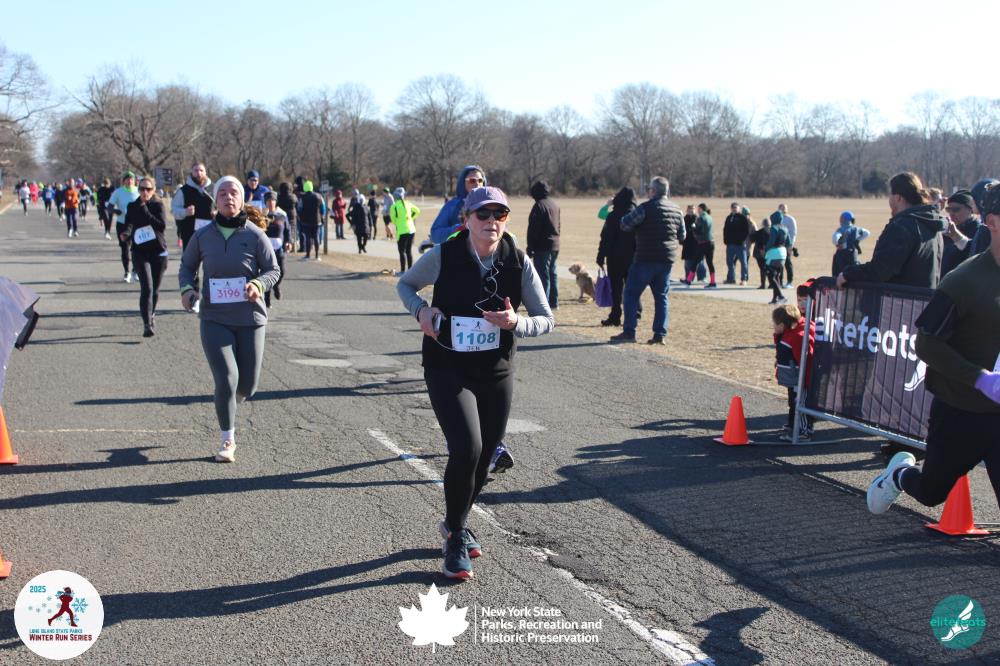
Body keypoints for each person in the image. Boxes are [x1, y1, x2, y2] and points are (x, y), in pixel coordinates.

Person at [396, 185, 554, 579]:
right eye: (483, 214)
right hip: (446, 365)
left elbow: (546, 318)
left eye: (499, 214)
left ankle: (455, 524)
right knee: (468, 447)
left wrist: (517, 322)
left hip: (495, 370)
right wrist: (421, 311)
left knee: (486, 459)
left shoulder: (518, 260)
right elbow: (405, 284)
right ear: (466, 219)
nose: (491, 221)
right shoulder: (445, 254)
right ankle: (455, 539)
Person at [866, 182, 1000, 516]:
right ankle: (899, 475)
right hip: (961, 411)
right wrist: (980, 378)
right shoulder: (964, 280)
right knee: (931, 491)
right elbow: (926, 343)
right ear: (992, 223)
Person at [179, 176, 280, 463]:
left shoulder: (255, 235)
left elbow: (273, 270)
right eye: (222, 193)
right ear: (216, 200)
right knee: (226, 379)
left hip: (250, 318)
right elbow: (187, 266)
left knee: (247, 386)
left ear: (241, 198)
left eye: (233, 192)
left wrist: (258, 284)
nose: (228, 197)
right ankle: (227, 439)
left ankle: (230, 399)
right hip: (214, 318)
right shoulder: (203, 235)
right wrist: (187, 289)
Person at [836, 172, 947, 290]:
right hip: (924, 299)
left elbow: (880, 270)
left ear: (898, 197)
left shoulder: (902, 226)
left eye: (890, 195)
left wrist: (848, 274)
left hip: (900, 299)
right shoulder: (933, 225)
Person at [608, 176, 685, 345]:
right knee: (661, 297)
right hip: (666, 260)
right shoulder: (677, 210)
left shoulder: (645, 208)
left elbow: (625, 224)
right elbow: (682, 236)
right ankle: (659, 334)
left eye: (649, 189)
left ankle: (629, 332)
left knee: (630, 294)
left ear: (653, 191)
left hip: (645, 258)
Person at [120, 175, 169, 337]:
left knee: (155, 289)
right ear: (138, 189)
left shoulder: (158, 205)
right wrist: (126, 233)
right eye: (142, 189)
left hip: (158, 252)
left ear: (153, 190)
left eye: (148, 189)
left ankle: (152, 313)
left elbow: (161, 225)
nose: (145, 192)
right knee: (147, 288)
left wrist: (145, 210)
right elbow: (129, 223)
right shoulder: (132, 206)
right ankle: (147, 324)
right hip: (139, 252)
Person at [595, 187, 638, 327]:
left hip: (614, 258)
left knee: (616, 289)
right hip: (633, 257)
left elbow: (606, 238)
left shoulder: (613, 216)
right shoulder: (636, 215)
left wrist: (600, 256)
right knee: (632, 287)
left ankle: (615, 316)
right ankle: (633, 314)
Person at [772, 303, 815, 442]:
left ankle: (803, 432)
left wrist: (804, 381)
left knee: (800, 403)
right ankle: (795, 425)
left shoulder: (798, 337)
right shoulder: (789, 333)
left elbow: (805, 361)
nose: (773, 326)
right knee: (794, 401)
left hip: (801, 379)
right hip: (795, 377)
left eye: (775, 324)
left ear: (783, 324)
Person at [423, 166, 487, 252]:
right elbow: (435, 234)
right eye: (472, 180)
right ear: (463, 183)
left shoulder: (490, 204)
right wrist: (458, 229)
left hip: (484, 256)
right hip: (457, 255)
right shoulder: (452, 205)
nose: (477, 184)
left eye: (480, 180)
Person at [526, 181, 561, 310]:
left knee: (542, 275)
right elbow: (558, 225)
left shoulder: (539, 206)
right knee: (552, 273)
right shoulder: (554, 204)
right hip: (555, 244)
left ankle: (543, 304)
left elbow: (534, 230)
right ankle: (554, 302)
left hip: (542, 247)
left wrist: (530, 247)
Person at [171, 162, 214, 251]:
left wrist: (218, 212)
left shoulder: (214, 188)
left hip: (212, 234)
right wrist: (185, 212)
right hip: (190, 235)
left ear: (205, 172)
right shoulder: (183, 191)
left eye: (201, 170)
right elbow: (174, 210)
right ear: (192, 172)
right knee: (190, 259)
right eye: (196, 170)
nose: (199, 173)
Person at [108, 171, 140, 282]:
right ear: (124, 181)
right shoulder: (118, 192)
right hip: (122, 223)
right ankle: (127, 272)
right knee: (125, 248)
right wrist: (115, 211)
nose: (130, 181)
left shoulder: (139, 191)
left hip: (136, 223)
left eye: (131, 179)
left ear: (134, 181)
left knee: (137, 248)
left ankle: (135, 270)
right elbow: (109, 207)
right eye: (127, 179)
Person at [263, 191, 293, 307]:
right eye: (268, 201)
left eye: (273, 201)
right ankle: (267, 298)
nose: (271, 203)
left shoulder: (282, 215)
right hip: (266, 249)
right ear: (265, 203)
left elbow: (287, 230)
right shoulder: (262, 215)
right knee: (267, 273)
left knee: (282, 272)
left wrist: (289, 241)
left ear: (276, 202)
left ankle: (276, 286)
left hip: (279, 248)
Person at [683, 203, 717, 288]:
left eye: (698, 209)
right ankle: (713, 282)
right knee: (710, 263)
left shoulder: (701, 218)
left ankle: (688, 280)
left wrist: (693, 228)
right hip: (711, 242)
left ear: (701, 209)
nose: (697, 211)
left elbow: (700, 231)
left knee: (695, 262)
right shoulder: (710, 217)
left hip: (703, 243)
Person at [831, 211, 871, 275]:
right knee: (853, 273)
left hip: (841, 255)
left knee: (838, 274)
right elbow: (867, 233)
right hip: (853, 254)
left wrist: (838, 244)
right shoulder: (856, 229)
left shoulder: (840, 230)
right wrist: (858, 240)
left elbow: (835, 238)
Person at [390, 187, 420, 273]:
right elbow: (417, 211)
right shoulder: (408, 203)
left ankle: (403, 270)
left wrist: (399, 222)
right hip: (411, 230)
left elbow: (393, 220)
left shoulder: (394, 206)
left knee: (402, 251)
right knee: (408, 251)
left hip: (402, 231)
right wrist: (411, 218)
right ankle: (410, 270)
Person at [764, 211, 790, 304]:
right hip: (783, 253)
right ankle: (775, 299)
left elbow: (771, 241)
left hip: (774, 253)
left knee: (771, 276)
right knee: (776, 276)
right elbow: (789, 242)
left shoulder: (774, 228)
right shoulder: (785, 228)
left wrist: (765, 249)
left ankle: (781, 296)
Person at [723, 202, 752, 285]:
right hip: (730, 244)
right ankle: (731, 278)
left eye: (736, 207)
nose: (734, 209)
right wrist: (726, 240)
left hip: (740, 245)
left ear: (739, 209)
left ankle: (744, 279)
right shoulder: (728, 218)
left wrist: (742, 240)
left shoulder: (742, 218)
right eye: (733, 207)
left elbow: (746, 231)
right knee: (729, 262)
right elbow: (725, 229)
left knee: (743, 262)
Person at [296, 180, 326, 261]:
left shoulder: (302, 197)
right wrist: (322, 216)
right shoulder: (319, 196)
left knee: (308, 238)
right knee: (316, 237)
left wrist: (300, 216)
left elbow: (299, 208)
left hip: (306, 221)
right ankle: (317, 255)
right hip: (317, 220)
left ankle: (308, 255)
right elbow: (323, 208)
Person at [681, 204, 707, 283]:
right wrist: (681, 240)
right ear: (687, 210)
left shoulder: (698, 219)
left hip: (697, 243)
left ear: (695, 210)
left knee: (700, 261)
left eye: (693, 209)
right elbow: (680, 230)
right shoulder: (684, 219)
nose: (691, 211)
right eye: (689, 209)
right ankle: (688, 278)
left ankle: (702, 278)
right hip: (687, 244)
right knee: (688, 262)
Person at [778, 203, 798, 288]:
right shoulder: (777, 219)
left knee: (788, 263)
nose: (783, 210)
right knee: (779, 264)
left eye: (784, 208)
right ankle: (779, 282)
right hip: (778, 245)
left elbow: (793, 233)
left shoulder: (790, 219)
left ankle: (789, 282)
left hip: (787, 245)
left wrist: (791, 245)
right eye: (781, 208)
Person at [750, 214, 770, 289]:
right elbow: (752, 239)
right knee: (765, 268)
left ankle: (764, 284)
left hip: (761, 254)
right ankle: (768, 284)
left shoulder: (759, 232)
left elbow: (751, 239)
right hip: (763, 254)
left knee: (763, 268)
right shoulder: (771, 232)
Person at [276, 182, 298, 251]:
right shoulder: (293, 197)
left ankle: (283, 246)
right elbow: (297, 205)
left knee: (282, 231)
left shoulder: (279, 197)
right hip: (292, 215)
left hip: (281, 215)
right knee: (291, 230)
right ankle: (290, 245)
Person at [348, 189, 370, 253]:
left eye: (362, 200)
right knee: (359, 238)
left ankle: (363, 246)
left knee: (366, 238)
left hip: (365, 225)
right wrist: (352, 223)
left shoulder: (366, 207)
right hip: (358, 226)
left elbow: (369, 217)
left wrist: (370, 225)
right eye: (360, 200)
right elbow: (352, 216)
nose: (361, 201)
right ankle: (360, 249)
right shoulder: (356, 207)